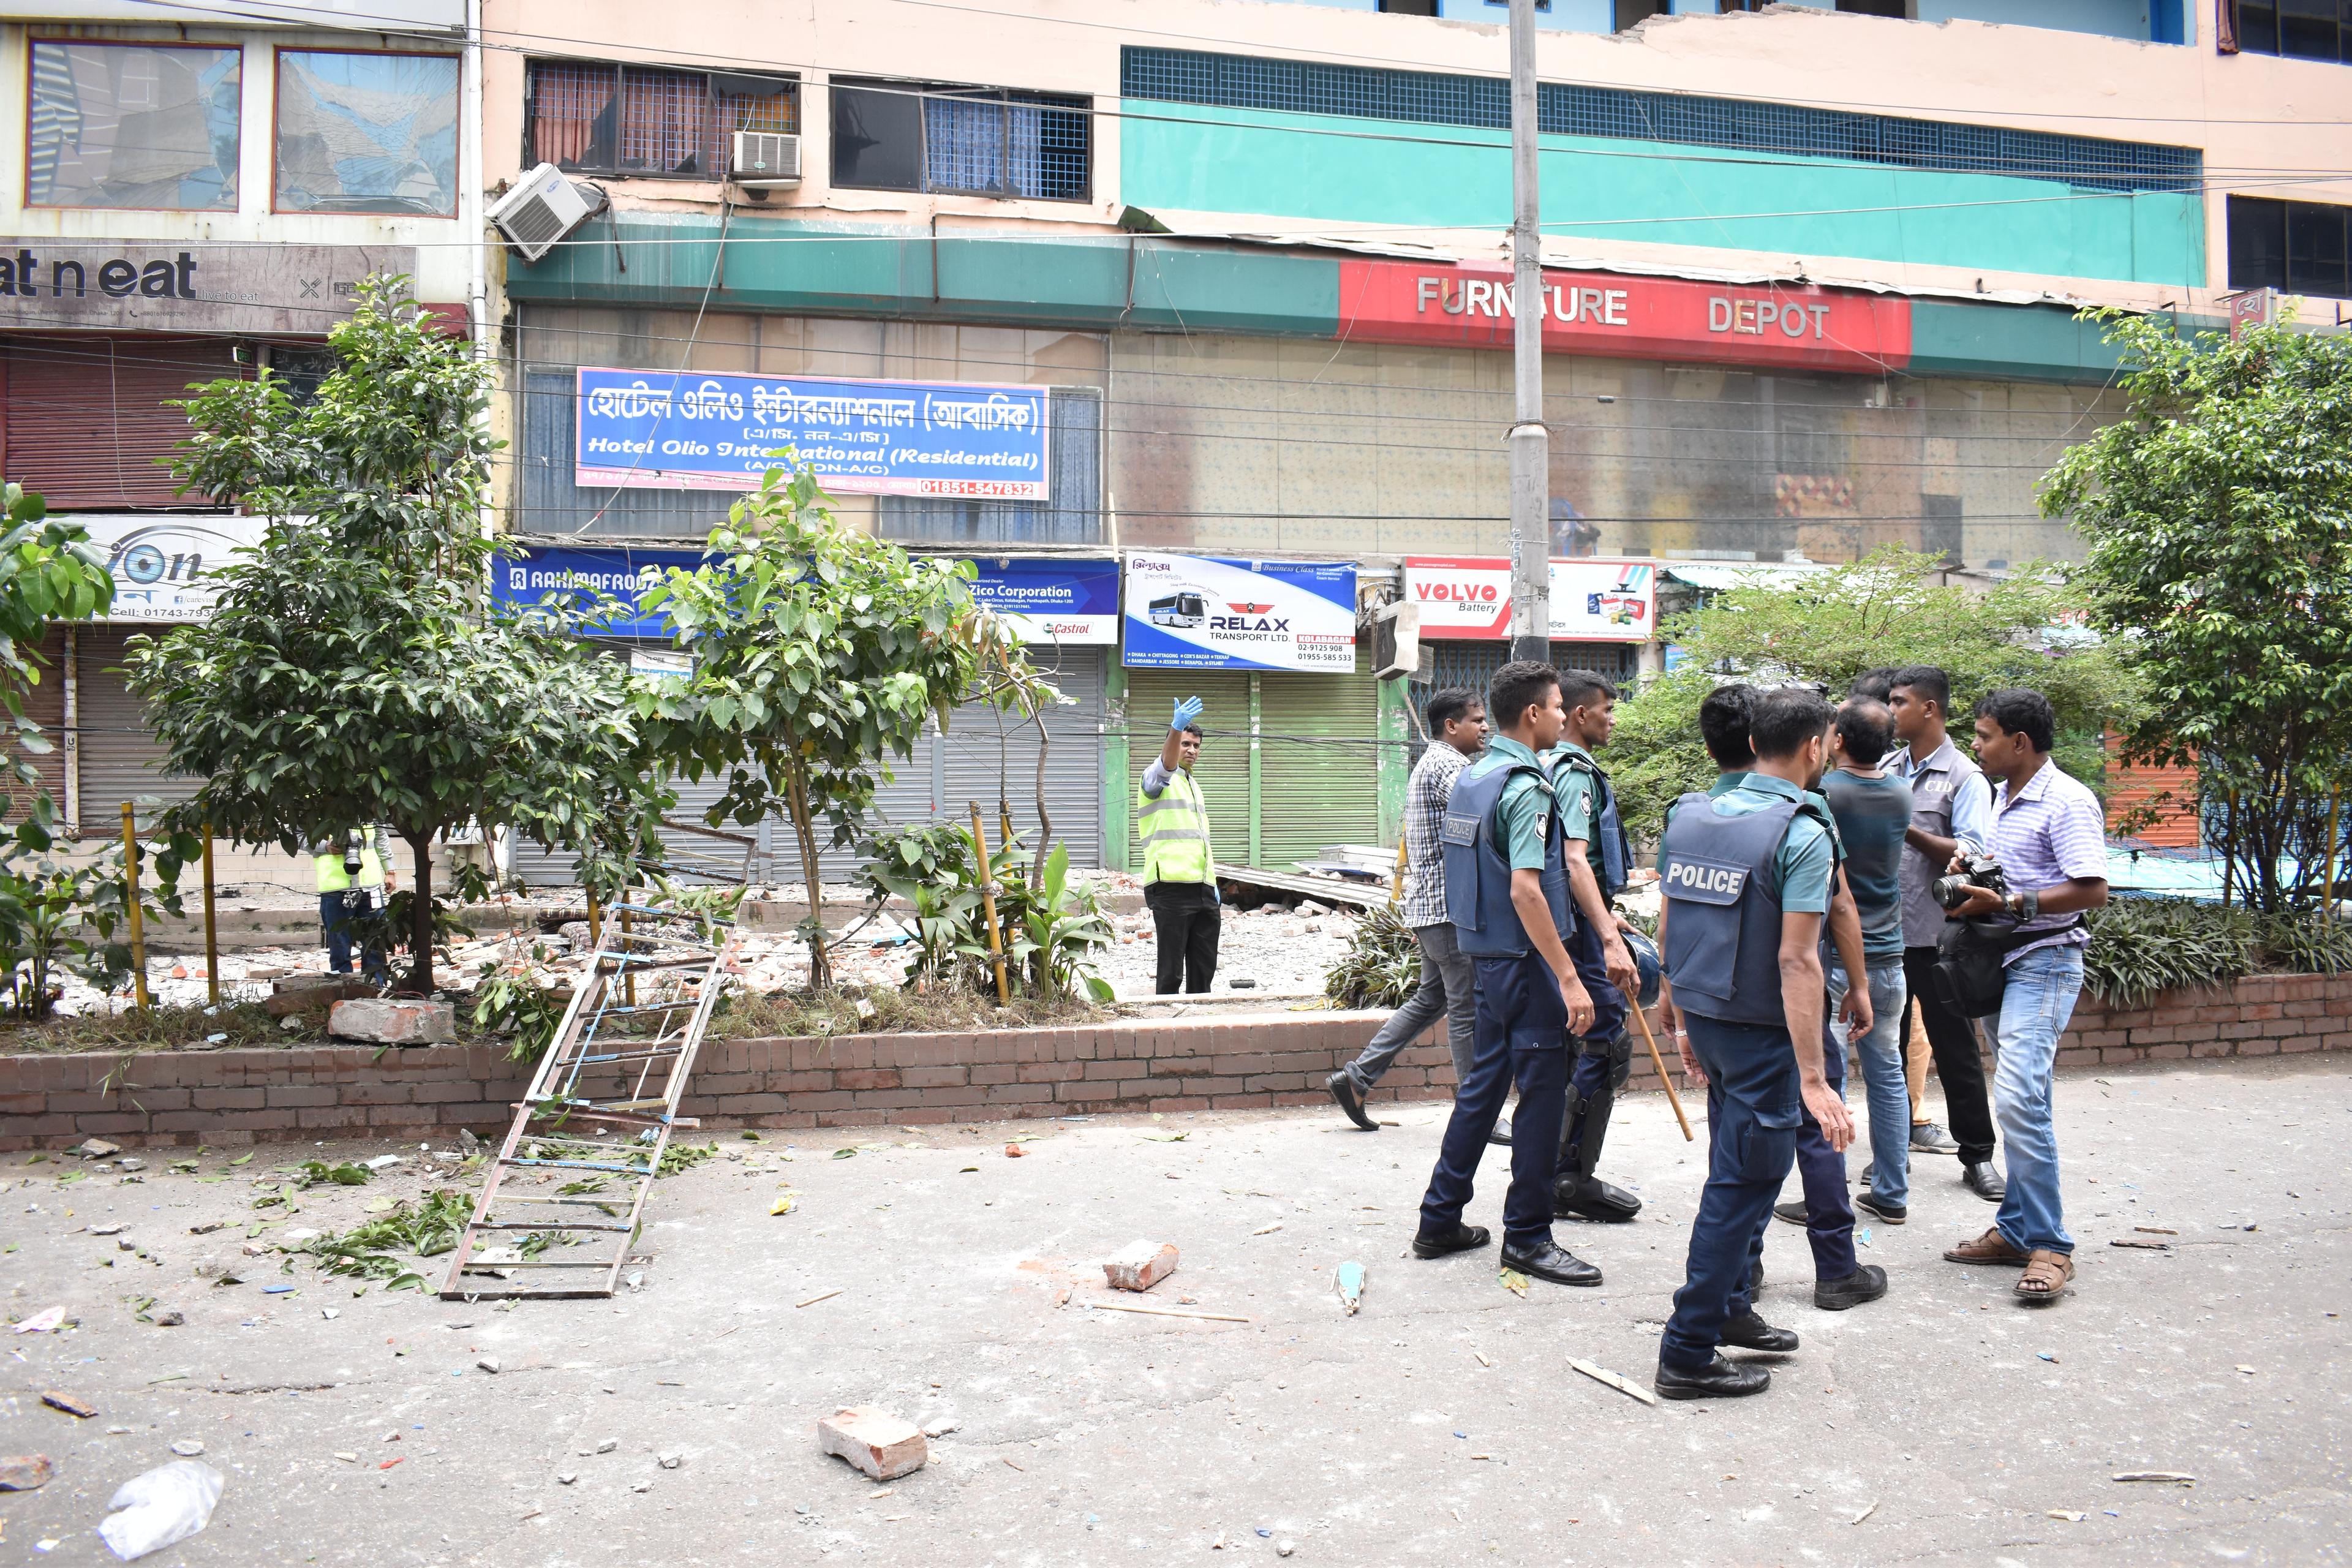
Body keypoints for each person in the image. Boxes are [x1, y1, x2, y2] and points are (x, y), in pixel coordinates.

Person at [1653, 687, 1855, 1400]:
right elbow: (1798, 960)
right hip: (1764, 1037)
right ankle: (1688, 1349)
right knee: (1739, 1191)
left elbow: (1671, 915)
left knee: (1734, 1172)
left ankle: (1734, 1308)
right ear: (1812, 747)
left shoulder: (1692, 813)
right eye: (1828, 741)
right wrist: (1813, 1077)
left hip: (1708, 1018)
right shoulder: (1800, 832)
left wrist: (1675, 1009)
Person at [1412, 660, 1602, 1290]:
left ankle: (1439, 1217)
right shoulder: (1525, 786)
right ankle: (1528, 1237)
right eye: (1555, 707)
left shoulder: (1474, 776)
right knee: (1543, 1096)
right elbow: (1527, 889)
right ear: (1532, 714)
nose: (1561, 716)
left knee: (1484, 1089)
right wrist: (1569, 977)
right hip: (1525, 963)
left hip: (1484, 955)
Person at [1939, 688, 2109, 1305]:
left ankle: (2051, 1245)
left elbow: (2093, 889)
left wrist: (2010, 902)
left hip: (2046, 958)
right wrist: (1972, 868)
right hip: (1997, 961)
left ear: (2019, 742)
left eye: (1983, 736)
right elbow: (2008, 873)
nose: (1976, 746)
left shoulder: (2067, 801)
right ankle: (2015, 1230)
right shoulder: (1999, 797)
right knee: (2019, 1099)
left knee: (2017, 1099)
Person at [1328, 689, 1496, 1135]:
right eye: (1477, 720)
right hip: (1447, 908)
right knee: (1466, 1010)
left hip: (1429, 906)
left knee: (1432, 999)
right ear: (1451, 726)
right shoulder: (1451, 767)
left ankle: (1358, 1078)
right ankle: (1475, 1112)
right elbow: (1483, 824)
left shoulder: (1434, 762)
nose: (1485, 727)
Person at [1887, 665, 2005, 1199]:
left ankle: (1977, 1155)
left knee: (1956, 1048)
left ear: (1928, 708)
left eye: (1899, 702)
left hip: (1937, 938)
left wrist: (1900, 824)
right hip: (1886, 933)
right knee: (1884, 1050)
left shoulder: (1965, 778)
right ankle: (1890, 1157)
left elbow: (1974, 860)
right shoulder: (1888, 767)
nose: (1891, 711)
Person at [1542, 669, 1644, 1223]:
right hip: (1579, 933)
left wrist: (1607, 916)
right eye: (1607, 709)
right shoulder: (1575, 773)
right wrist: (1605, 933)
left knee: (1573, 1046)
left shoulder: (1544, 763)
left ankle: (1555, 1171)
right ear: (1582, 714)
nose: (1612, 719)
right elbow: (1575, 859)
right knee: (1605, 1044)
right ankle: (1570, 1178)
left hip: (1568, 922)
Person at [1814, 699, 1915, 1224]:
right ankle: (1892, 1192)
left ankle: (1826, 1196)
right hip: (1889, 954)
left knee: (1830, 1079)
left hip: (1836, 955)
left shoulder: (1828, 794)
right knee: (1888, 1075)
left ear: (1839, 742)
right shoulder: (1901, 792)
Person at [1139, 697, 1221, 995]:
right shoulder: (1156, 778)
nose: (1192, 751)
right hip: (1170, 886)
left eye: (1196, 746)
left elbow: (1200, 841)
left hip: (1202, 887)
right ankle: (1165, 1031)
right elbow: (1164, 766)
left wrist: (1212, 883)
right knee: (1171, 969)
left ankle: (1198, 1028)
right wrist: (1175, 728)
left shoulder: (1193, 785)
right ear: (1173, 744)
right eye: (1186, 743)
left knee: (1204, 967)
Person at [314, 826, 393, 982]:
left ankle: (377, 986)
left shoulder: (371, 806)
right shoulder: (315, 803)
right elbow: (298, 836)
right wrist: (325, 846)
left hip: (370, 885)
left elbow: (381, 836)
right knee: (339, 944)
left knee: (374, 939)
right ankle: (343, 987)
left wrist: (390, 871)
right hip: (335, 887)